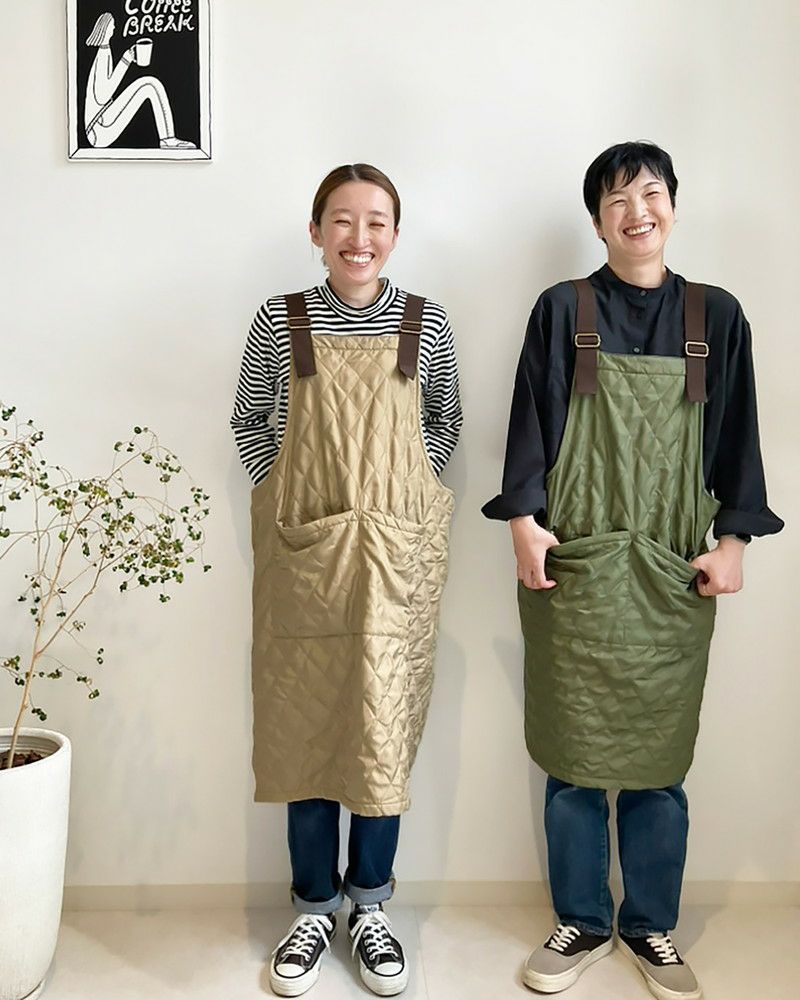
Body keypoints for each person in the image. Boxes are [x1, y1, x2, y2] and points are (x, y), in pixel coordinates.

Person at [482, 141, 782, 1000]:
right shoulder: (561, 309)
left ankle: (651, 924)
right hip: (574, 563)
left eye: (650, 194)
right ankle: (581, 919)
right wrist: (525, 525)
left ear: (673, 207)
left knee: (659, 761)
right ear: (597, 220)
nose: (636, 212)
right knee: (572, 756)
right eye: (617, 199)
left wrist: (734, 542)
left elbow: (738, 434)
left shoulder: (716, 316)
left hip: (670, 567)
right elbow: (530, 421)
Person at [231, 164, 461, 997]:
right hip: (305, 562)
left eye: (376, 222)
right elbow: (250, 420)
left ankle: (370, 906)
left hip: (397, 565)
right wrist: (285, 494)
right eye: (341, 220)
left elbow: (444, 422)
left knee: (380, 731)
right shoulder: (280, 319)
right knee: (305, 730)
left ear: (395, 234)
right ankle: (311, 908)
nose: (358, 238)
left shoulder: (424, 323)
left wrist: (406, 501)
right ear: (316, 231)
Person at [84, 13, 196, 150]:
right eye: (112, 25)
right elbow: (103, 95)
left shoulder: (105, 50)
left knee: (150, 85)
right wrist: (126, 60)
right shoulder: (102, 55)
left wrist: (127, 59)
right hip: (98, 129)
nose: (114, 27)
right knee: (150, 84)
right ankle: (168, 139)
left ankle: (168, 139)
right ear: (105, 28)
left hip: (101, 124)